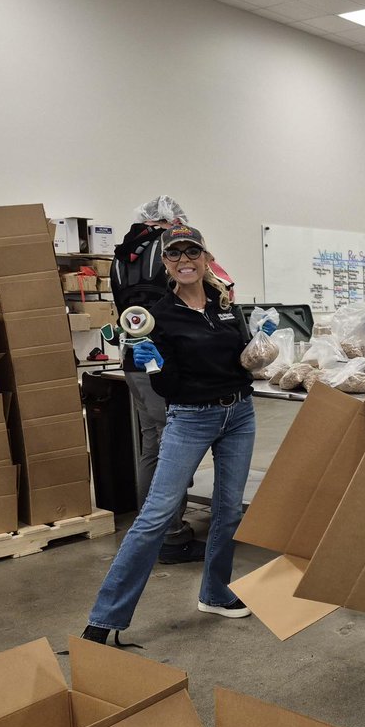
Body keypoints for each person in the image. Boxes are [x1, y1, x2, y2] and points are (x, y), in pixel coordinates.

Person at [83, 224, 271, 643]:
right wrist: (154, 363)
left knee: (229, 511)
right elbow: (166, 388)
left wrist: (263, 344)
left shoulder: (226, 306)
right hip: (190, 417)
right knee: (156, 516)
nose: (184, 261)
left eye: (192, 253)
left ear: (206, 258)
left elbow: (243, 362)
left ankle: (217, 593)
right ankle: (105, 617)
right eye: (175, 255)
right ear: (166, 263)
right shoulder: (158, 315)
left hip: (239, 414)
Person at [109, 196, 202, 564]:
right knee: (172, 450)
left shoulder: (123, 254)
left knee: (151, 445)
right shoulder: (164, 253)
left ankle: (150, 529)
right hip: (160, 362)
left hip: (131, 359)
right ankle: (172, 536)